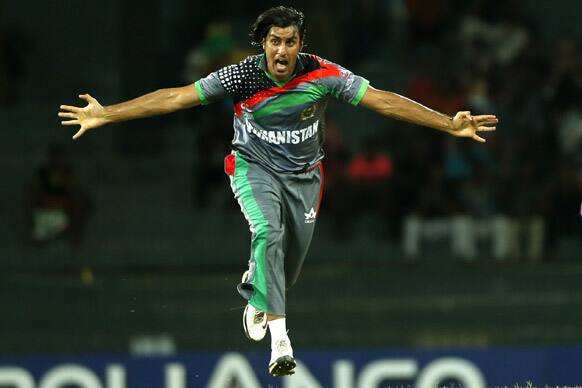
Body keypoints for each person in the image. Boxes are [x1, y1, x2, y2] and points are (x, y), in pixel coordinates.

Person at [58, 6, 498, 377]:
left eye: (290, 42)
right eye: (274, 41)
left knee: (286, 271)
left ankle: (258, 290)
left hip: (306, 177)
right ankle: (281, 343)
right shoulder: (242, 77)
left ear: (300, 44)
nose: (282, 50)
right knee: (267, 230)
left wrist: (447, 123)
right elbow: (176, 98)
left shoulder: (324, 75)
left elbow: (382, 100)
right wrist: (108, 115)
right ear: (262, 44)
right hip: (253, 168)